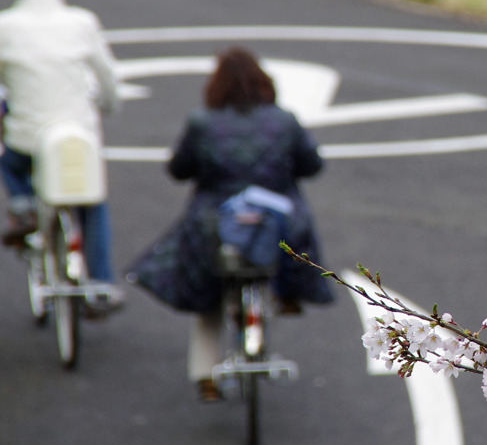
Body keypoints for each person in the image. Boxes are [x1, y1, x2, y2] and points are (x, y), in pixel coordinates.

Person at [125, 46, 334, 401]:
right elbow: (312, 165)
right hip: (276, 222)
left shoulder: (202, 122)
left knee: (209, 293)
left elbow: (179, 170)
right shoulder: (284, 120)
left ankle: (205, 376)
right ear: (264, 82)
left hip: (216, 223)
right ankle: (288, 293)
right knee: (286, 242)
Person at [0, 0, 122, 308]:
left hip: (29, 137)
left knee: (10, 159)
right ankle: (101, 279)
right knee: (93, 201)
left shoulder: (4, 26)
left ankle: (22, 202)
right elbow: (108, 79)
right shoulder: (82, 22)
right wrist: (108, 106)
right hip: (76, 136)